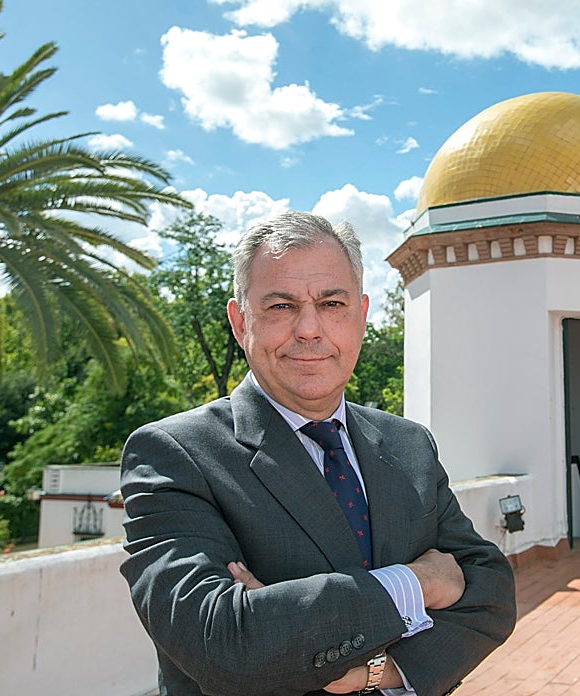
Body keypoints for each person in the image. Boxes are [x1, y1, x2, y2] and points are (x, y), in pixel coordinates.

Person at [119, 211, 516, 696]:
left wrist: (370, 670)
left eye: (332, 303)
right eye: (282, 306)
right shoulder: (175, 453)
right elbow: (220, 642)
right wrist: (417, 583)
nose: (309, 329)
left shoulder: (409, 444)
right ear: (241, 320)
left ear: (361, 316)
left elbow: (492, 592)